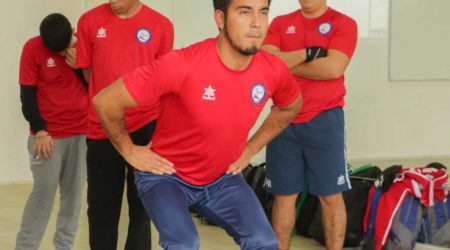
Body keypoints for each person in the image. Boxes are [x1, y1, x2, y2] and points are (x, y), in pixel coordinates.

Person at [93, 0, 302, 249]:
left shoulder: (273, 70)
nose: (257, 23)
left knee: (265, 242)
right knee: (185, 243)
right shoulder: (182, 64)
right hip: (166, 177)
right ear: (220, 19)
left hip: (222, 178)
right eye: (244, 12)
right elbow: (105, 101)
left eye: (263, 12)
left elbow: (290, 106)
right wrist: (129, 150)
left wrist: (250, 148)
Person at [75, 0, 174, 249]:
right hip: (103, 127)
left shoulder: (162, 25)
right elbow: (88, 73)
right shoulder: (89, 21)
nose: (113, 1)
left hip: (146, 125)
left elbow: (164, 80)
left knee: (143, 207)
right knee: (101, 208)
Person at [261, 0, 357, 249]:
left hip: (324, 120)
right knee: (283, 197)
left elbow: (333, 68)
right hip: (283, 119)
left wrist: (287, 64)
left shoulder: (344, 24)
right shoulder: (281, 23)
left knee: (330, 196)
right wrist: (308, 55)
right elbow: (267, 62)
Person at [16, 13, 88, 250]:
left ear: (72, 33)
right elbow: (27, 96)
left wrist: (79, 67)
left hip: (81, 133)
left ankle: (64, 246)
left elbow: (96, 85)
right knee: (43, 194)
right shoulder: (32, 48)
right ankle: (26, 246)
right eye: (54, 51)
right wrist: (41, 131)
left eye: (63, 48)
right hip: (47, 136)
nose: (60, 54)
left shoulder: (81, 45)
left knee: (73, 197)